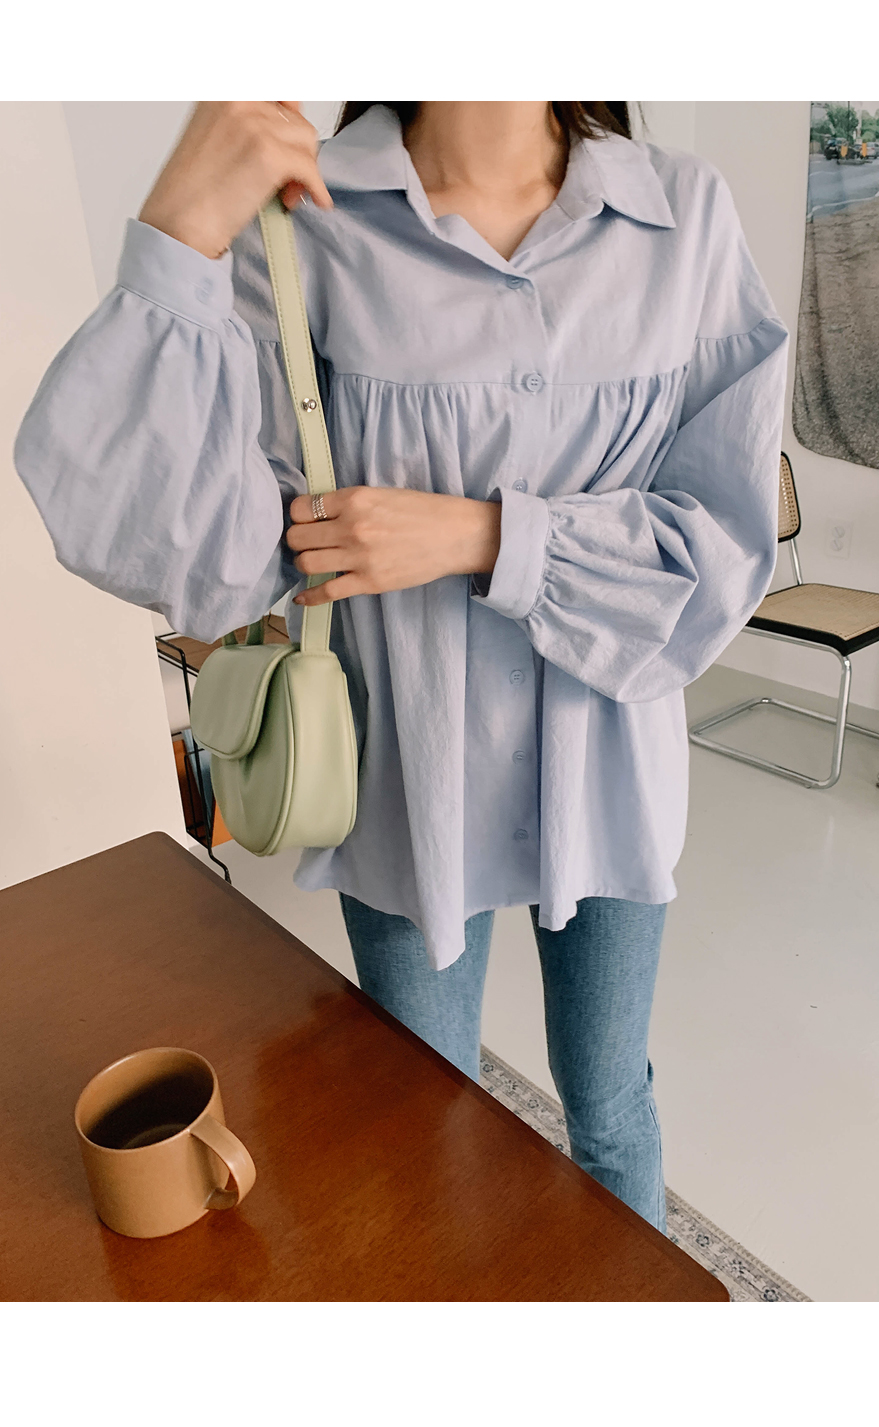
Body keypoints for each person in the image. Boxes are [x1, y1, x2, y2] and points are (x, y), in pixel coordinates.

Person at [14, 101, 789, 1233]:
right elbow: (197, 554)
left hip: (612, 765)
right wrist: (179, 231)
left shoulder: (683, 215)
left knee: (615, 1106)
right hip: (403, 780)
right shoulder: (307, 226)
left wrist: (485, 537)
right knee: (423, 1122)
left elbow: (721, 545)